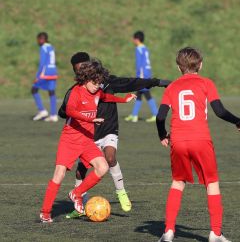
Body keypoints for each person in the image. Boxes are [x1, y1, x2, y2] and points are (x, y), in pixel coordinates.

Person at [59, 52, 170, 218]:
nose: (82, 73)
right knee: (80, 171)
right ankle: (79, 204)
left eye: (84, 68)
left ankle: (121, 192)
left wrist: (157, 82)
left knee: (110, 158)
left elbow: (131, 82)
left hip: (109, 129)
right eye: (78, 71)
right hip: (89, 135)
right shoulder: (75, 90)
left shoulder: (107, 82)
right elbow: (64, 110)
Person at [156, 47, 240, 242]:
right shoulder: (206, 83)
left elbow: (160, 116)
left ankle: (169, 231)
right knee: (212, 183)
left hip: (178, 140)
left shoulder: (172, 87)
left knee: (178, 182)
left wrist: (162, 135)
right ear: (201, 65)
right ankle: (215, 233)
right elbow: (220, 111)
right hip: (201, 140)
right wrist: (238, 122)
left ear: (178, 67)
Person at [40, 61, 136, 223]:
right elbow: (70, 111)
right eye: (94, 83)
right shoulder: (75, 92)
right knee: (59, 174)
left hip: (86, 140)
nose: (97, 86)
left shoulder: (97, 92)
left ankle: (76, 194)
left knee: (103, 167)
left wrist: (124, 100)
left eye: (99, 83)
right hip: (70, 139)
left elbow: (106, 97)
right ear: (85, 79)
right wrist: (91, 118)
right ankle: (45, 212)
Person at [125, 31, 159, 123]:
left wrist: (140, 76)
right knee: (140, 94)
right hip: (147, 73)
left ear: (136, 39)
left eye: (133, 39)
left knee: (146, 94)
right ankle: (134, 115)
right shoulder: (145, 48)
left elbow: (140, 64)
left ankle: (155, 114)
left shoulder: (138, 49)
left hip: (143, 75)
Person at [31, 32, 59, 122]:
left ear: (42, 39)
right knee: (51, 92)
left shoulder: (43, 47)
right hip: (53, 71)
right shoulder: (51, 47)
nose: (38, 41)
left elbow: (42, 63)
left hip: (45, 72)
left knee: (34, 89)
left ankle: (42, 110)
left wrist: (37, 76)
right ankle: (53, 115)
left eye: (38, 39)